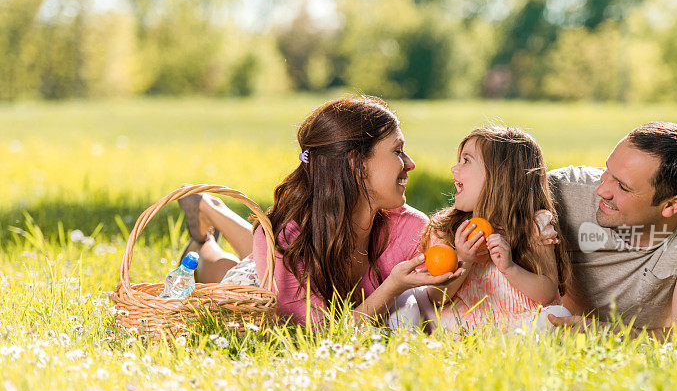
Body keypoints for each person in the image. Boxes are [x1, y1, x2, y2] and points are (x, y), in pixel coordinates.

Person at [178, 96, 464, 327]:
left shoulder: (410, 226)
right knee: (227, 269)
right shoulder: (288, 237)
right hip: (260, 283)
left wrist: (460, 263)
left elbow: (432, 300)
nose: (410, 162)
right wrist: (392, 287)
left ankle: (209, 207)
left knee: (264, 254)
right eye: (397, 151)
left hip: (278, 258)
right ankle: (206, 222)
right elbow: (316, 335)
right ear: (357, 164)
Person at [547, 121, 677, 340]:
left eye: (623, 187)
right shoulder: (557, 192)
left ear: (671, 205)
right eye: (607, 170)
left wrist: (607, 334)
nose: (601, 189)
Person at [418, 125, 571, 334]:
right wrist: (464, 261)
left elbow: (547, 293)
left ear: (500, 177)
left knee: (559, 314)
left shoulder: (534, 225)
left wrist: (510, 268)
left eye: (466, 160)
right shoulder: (446, 229)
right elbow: (436, 298)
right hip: (463, 324)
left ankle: (511, 344)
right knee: (411, 301)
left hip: (517, 325)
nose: (454, 169)